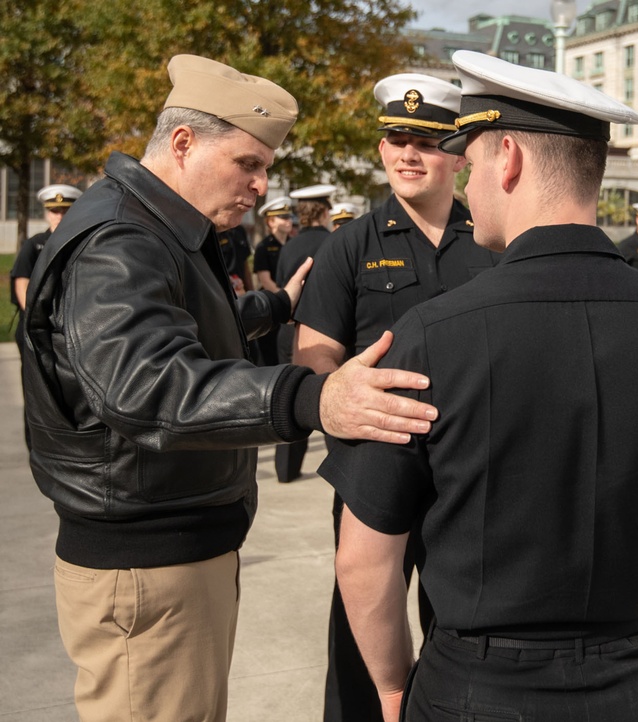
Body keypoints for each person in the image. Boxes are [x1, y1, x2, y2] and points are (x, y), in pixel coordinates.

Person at [322, 50, 638, 722]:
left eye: (468, 165)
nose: (468, 188)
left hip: (472, 689)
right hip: (633, 678)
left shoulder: (431, 335)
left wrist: (389, 686)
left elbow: (363, 560)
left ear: (507, 159)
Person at [20, 54, 438, 722]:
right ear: (182, 142)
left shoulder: (157, 228)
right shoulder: (121, 240)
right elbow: (144, 385)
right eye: (248, 163)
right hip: (147, 564)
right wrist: (311, 397)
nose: (260, 183)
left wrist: (265, 311)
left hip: (170, 547)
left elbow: (172, 329)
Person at [293, 71, 500, 722]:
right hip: (375, 467)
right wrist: (344, 392)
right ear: (381, 149)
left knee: (464, 630)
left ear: (460, 154)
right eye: (396, 139)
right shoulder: (348, 245)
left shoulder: (494, 242)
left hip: (473, 474)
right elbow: (312, 350)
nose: (409, 153)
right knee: (359, 634)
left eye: (429, 141)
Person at [269, 184, 338, 482]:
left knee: (289, 397)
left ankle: (286, 470)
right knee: (330, 397)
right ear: (324, 211)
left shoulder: (289, 246)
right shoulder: (336, 242)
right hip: (324, 330)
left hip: (289, 329)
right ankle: (338, 465)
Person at [10, 183, 82, 449]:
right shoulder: (35, 245)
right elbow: (22, 285)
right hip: (38, 331)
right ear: (47, 213)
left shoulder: (82, 242)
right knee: (37, 390)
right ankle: (37, 447)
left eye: (65, 210)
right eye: (54, 211)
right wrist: (37, 321)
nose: (59, 216)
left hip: (71, 330)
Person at [252, 196, 294, 365]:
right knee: (270, 353)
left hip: (290, 304)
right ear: (271, 222)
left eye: (289, 217)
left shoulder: (293, 244)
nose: (289, 221)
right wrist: (286, 299)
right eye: (283, 217)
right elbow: (265, 279)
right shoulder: (263, 247)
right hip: (273, 302)